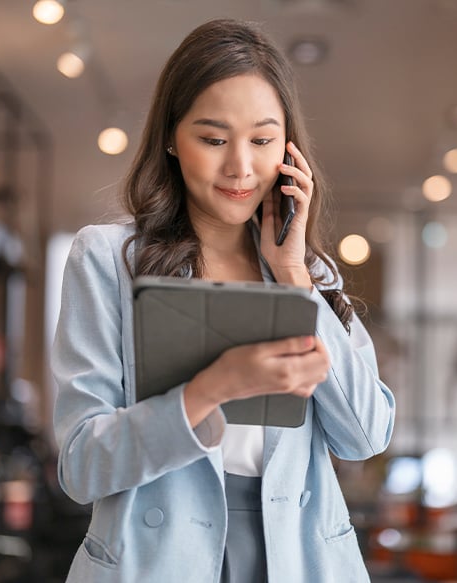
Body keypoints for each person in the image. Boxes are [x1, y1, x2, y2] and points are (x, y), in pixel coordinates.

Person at [51, 18, 396, 583]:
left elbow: (364, 436)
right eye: (213, 139)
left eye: (262, 141)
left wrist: (291, 275)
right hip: (157, 559)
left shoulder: (309, 273)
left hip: (298, 557)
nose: (241, 168)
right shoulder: (107, 259)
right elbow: (80, 465)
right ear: (170, 137)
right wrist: (210, 390)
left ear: (288, 148)